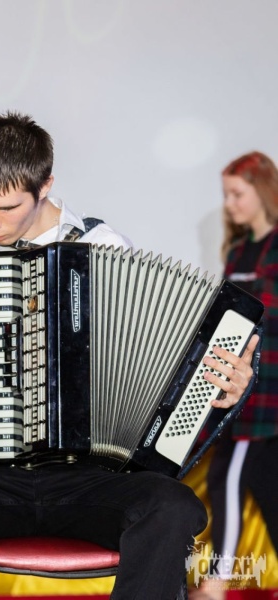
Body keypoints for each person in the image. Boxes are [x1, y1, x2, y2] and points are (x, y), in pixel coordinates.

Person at [0, 111, 259, 600]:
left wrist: (223, 387)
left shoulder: (101, 246)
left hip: (94, 480)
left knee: (172, 507)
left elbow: (159, 364)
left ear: (44, 185)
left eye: (6, 207)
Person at [190, 151, 278, 600]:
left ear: (263, 191)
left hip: (270, 392)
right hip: (241, 389)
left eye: (237, 194)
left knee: (227, 476)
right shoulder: (239, 250)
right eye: (226, 195)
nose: (229, 204)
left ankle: (217, 582)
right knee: (264, 488)